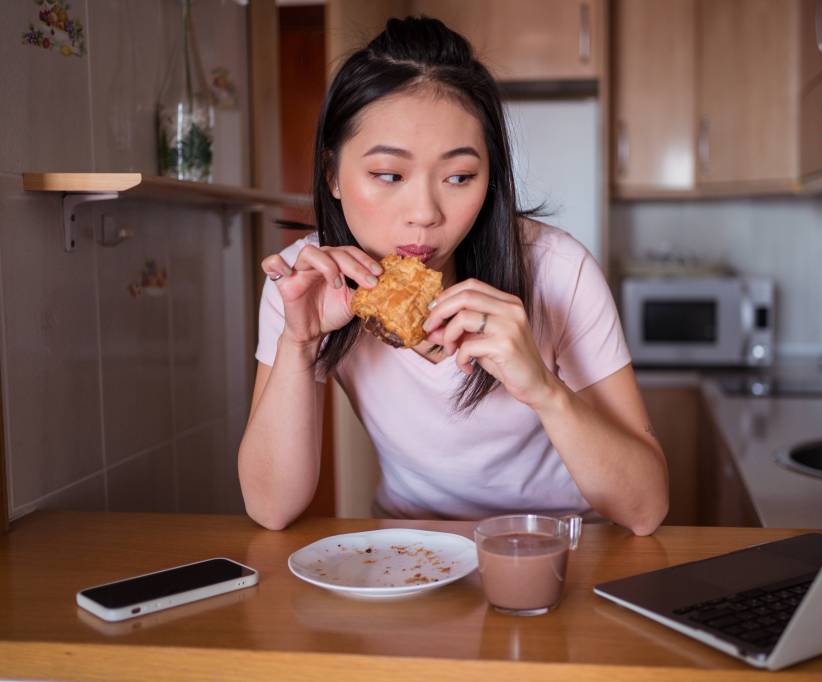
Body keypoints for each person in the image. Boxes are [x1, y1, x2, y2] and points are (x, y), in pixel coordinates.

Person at [238, 16, 668, 535]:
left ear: (491, 179)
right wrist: (298, 343)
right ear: (332, 172)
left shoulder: (558, 269)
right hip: (410, 550)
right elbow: (270, 507)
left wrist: (542, 388)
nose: (424, 213)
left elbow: (646, 509)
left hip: (563, 549)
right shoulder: (302, 284)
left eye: (460, 177)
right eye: (389, 176)